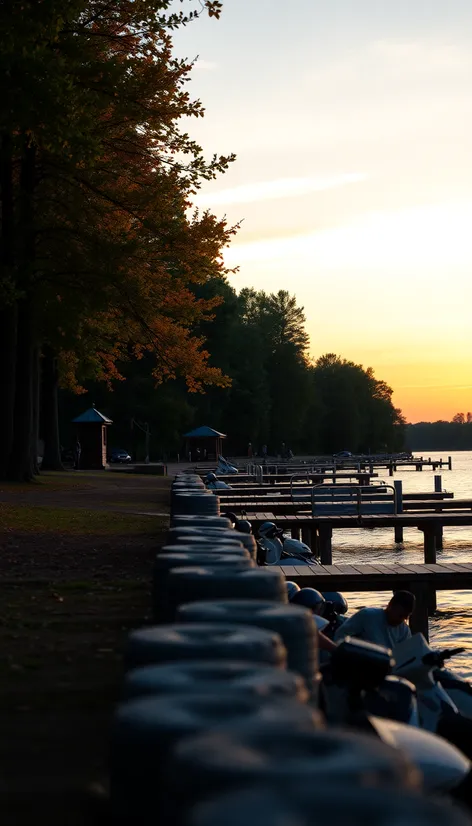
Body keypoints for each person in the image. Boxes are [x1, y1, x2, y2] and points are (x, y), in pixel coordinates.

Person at [333, 590, 415, 649]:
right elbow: (340, 635)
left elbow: (406, 655)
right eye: (400, 615)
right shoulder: (367, 616)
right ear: (390, 606)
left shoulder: (405, 631)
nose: (402, 620)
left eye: (406, 617)